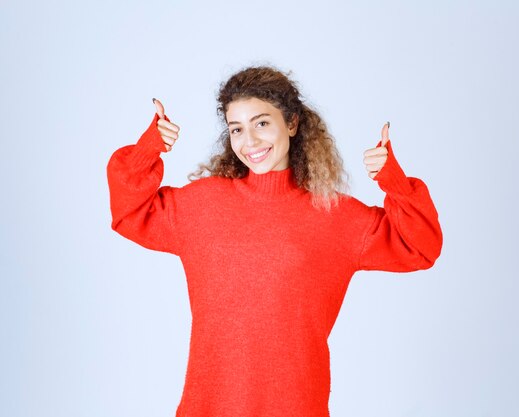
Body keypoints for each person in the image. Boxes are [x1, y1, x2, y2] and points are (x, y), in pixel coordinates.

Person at [106, 65, 443, 417]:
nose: (249, 141)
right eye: (237, 128)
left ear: (292, 123)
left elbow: (420, 246)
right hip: (208, 407)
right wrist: (149, 148)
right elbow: (129, 212)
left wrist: (395, 182)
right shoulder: (201, 205)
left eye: (262, 123)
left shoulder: (335, 215)